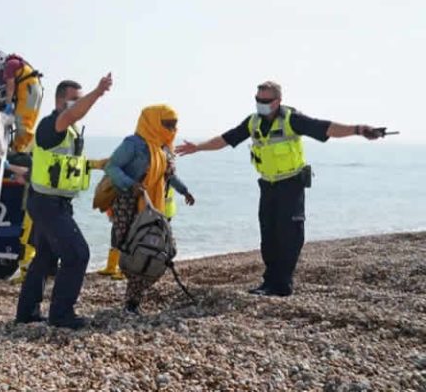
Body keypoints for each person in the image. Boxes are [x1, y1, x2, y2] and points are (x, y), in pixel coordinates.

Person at [176, 81, 383, 297]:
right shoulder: (253, 122)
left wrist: (359, 129)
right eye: (258, 100)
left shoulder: (292, 119)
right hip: (267, 185)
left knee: (289, 234)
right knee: (269, 234)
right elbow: (226, 139)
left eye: (265, 100)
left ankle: (282, 284)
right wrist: (197, 148)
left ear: (278, 101)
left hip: (291, 184)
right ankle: (269, 282)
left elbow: (326, 128)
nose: (261, 104)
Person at [15, 73, 113, 329]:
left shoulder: (68, 131)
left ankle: (27, 313)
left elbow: (64, 166)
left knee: (44, 260)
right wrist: (98, 92)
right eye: (74, 100)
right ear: (60, 101)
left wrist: (97, 164)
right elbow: (72, 115)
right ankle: (61, 314)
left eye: (79, 100)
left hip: (50, 202)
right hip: (48, 205)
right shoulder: (52, 125)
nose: (78, 104)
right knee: (78, 254)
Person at [102, 105, 192, 313]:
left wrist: (185, 191)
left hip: (155, 205)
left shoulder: (164, 148)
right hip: (130, 203)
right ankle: (131, 300)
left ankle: (133, 298)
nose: (172, 129)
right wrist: (130, 184)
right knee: (131, 248)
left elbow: (168, 175)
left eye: (174, 125)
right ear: (152, 122)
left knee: (157, 249)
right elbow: (112, 166)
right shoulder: (133, 145)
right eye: (167, 124)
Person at [0, 51, 43, 152]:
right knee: (28, 122)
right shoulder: (18, 63)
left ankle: (25, 150)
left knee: (21, 121)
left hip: (28, 90)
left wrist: (8, 103)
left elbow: (10, 86)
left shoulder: (10, 65)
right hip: (34, 90)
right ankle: (19, 148)